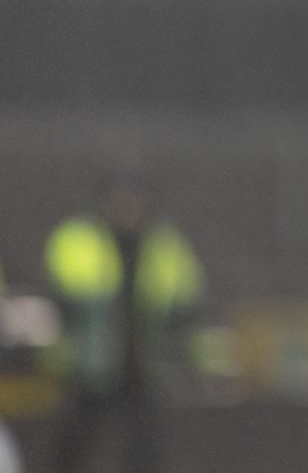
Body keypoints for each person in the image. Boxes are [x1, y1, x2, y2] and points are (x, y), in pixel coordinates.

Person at [44, 182, 204, 473]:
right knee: (79, 435)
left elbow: (183, 300)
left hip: (142, 360)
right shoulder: (84, 239)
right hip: (95, 360)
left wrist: (176, 347)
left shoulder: (160, 244)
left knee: (143, 440)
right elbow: (66, 299)